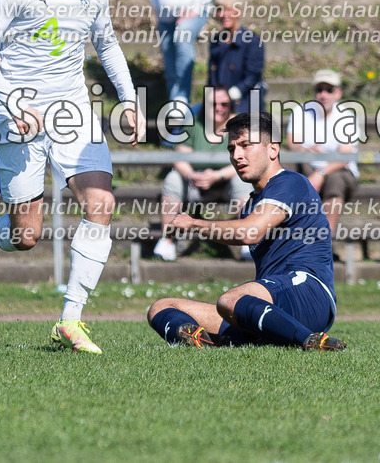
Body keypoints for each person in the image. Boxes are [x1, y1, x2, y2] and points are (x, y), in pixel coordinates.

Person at [0, 0, 140, 355]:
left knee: (101, 203)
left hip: (72, 113)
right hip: (14, 115)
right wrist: (13, 99)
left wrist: (128, 99)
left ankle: (71, 318)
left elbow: (108, 45)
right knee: (26, 237)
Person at [147, 112, 344, 351]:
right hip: (272, 301)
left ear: (273, 149)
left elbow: (250, 232)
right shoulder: (252, 203)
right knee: (161, 307)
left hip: (310, 293)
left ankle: (310, 341)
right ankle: (211, 343)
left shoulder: (291, 182)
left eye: (245, 146)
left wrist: (195, 224)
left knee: (230, 300)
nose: (236, 155)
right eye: (231, 149)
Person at [155, 86, 251, 262]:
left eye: (224, 104)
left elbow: (246, 160)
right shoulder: (194, 123)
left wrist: (217, 176)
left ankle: (247, 243)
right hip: (196, 182)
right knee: (173, 178)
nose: (218, 108)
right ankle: (167, 240)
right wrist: (192, 175)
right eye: (213, 103)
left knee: (243, 180)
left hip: (227, 181)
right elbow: (180, 157)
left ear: (231, 106)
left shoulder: (238, 127)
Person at [285, 69, 360, 259]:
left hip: (338, 169)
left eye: (329, 89)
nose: (323, 94)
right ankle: (289, 239)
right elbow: (292, 143)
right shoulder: (301, 112)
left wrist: (321, 173)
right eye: (319, 89)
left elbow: (345, 156)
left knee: (335, 182)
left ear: (338, 93)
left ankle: (323, 242)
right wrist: (307, 151)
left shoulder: (347, 116)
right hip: (309, 164)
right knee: (288, 170)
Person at [207, 0, 265, 114]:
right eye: (220, 10)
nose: (224, 14)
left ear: (239, 12)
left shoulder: (253, 41)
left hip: (245, 104)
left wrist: (230, 95)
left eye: (229, 9)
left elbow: (252, 77)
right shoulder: (215, 42)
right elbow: (212, 78)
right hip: (218, 105)